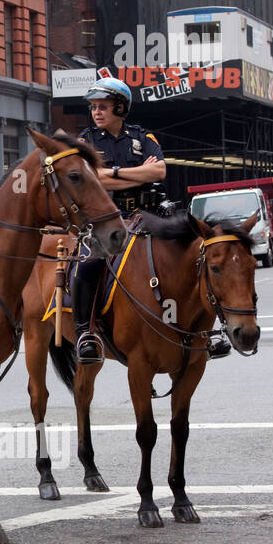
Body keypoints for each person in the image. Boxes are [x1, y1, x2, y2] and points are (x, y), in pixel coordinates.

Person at [72, 75, 171, 364]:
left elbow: (159, 171)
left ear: (120, 108)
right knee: (89, 264)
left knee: (186, 252)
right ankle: (84, 333)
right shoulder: (85, 141)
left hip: (147, 218)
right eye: (93, 107)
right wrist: (131, 173)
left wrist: (109, 175)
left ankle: (202, 331)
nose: (96, 112)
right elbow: (89, 179)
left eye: (103, 106)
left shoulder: (143, 137)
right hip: (105, 222)